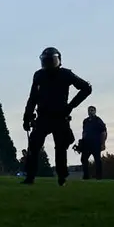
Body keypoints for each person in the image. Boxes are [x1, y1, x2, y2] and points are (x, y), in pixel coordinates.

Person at [22, 47, 92, 186]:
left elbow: (86, 88)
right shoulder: (39, 76)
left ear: (58, 61)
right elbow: (33, 98)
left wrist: (71, 106)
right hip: (43, 116)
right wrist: (27, 116)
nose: (48, 64)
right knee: (34, 146)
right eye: (46, 61)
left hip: (60, 116)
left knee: (60, 148)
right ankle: (30, 177)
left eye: (51, 61)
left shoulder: (66, 74)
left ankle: (61, 177)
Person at [78, 106, 107, 180]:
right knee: (83, 159)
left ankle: (99, 177)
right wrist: (81, 145)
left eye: (92, 110)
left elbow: (103, 132)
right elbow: (84, 133)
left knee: (97, 160)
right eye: (89, 110)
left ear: (95, 111)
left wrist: (103, 143)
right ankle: (86, 176)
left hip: (95, 143)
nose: (90, 112)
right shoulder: (85, 121)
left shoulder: (98, 120)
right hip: (87, 144)